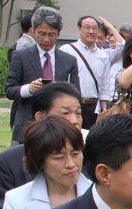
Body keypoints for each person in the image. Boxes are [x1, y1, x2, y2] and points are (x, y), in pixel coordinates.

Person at [0, 82, 87, 209]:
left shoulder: (92, 154)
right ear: (40, 117)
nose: (74, 121)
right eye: (65, 113)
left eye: (78, 113)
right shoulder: (7, 163)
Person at [5, 6, 79, 143]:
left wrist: (60, 89)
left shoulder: (69, 60)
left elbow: (76, 93)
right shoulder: (20, 56)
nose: (46, 39)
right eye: (41, 34)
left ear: (59, 33)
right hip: (27, 126)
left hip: (59, 126)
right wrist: (28, 89)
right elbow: (9, 89)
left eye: (51, 35)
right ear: (33, 31)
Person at [59, 16, 122, 129]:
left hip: (93, 107)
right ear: (79, 29)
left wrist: (104, 105)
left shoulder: (103, 55)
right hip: (71, 104)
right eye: (87, 27)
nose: (91, 31)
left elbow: (105, 82)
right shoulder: (67, 50)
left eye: (94, 28)